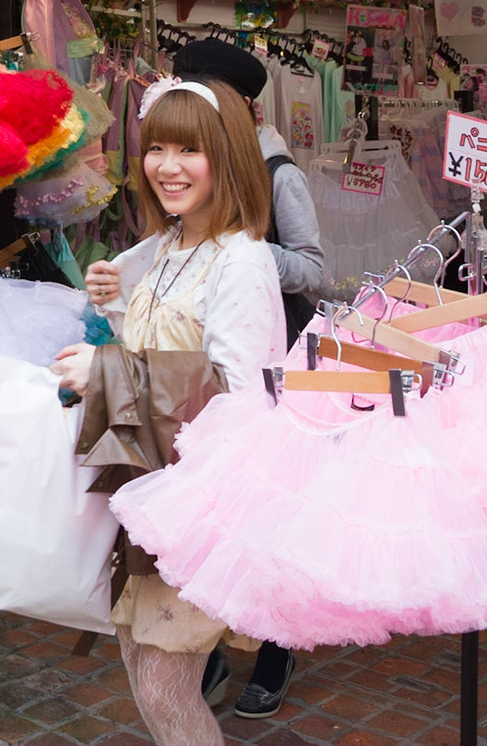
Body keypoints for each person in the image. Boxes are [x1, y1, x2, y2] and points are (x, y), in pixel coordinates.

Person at [54, 79, 286, 746]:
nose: (167, 165)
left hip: (201, 505)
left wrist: (109, 374)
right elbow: (137, 345)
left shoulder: (241, 262)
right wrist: (93, 363)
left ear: (226, 155)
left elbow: (240, 394)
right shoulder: (164, 248)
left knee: (164, 682)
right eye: (156, 147)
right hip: (151, 489)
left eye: (190, 148)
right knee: (141, 666)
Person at [169, 39, 324, 717]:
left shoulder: (279, 171)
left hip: (272, 360)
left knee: (266, 506)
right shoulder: (194, 166)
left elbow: (315, 269)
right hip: (205, 356)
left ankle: (274, 647)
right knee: (208, 507)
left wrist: (247, 254)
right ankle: (206, 652)